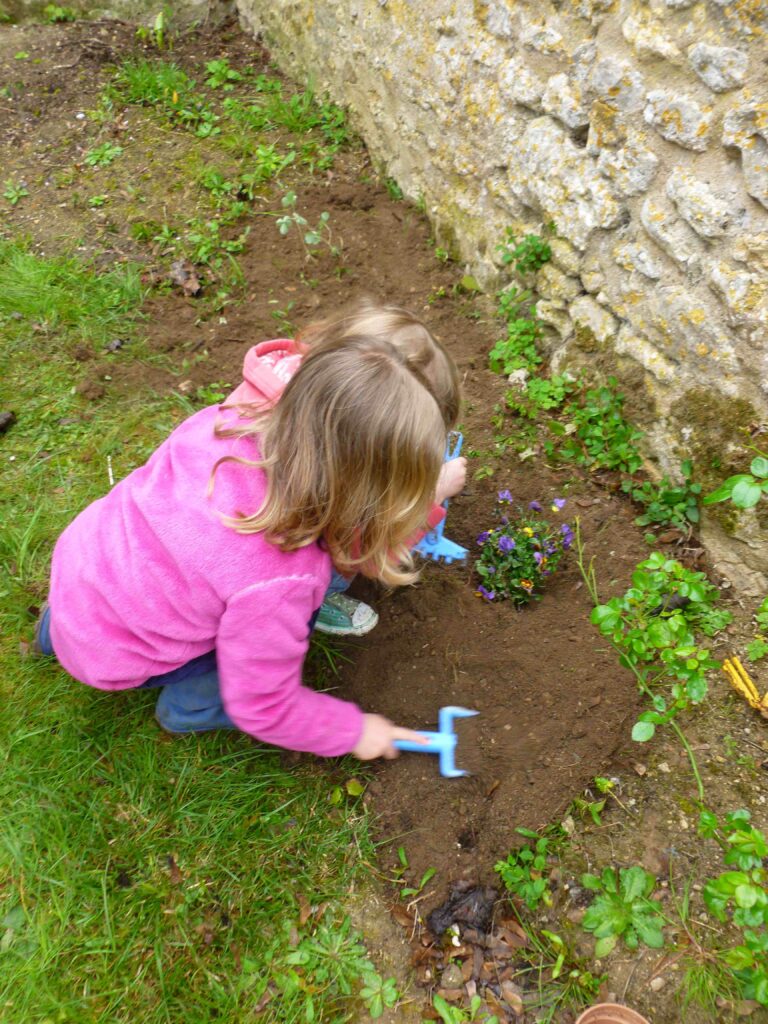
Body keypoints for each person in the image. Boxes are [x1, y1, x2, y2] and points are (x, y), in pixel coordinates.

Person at [34, 304, 468, 762]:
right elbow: (266, 703)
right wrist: (353, 731)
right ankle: (190, 707)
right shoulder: (278, 579)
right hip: (116, 654)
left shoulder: (228, 420)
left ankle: (52, 632)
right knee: (237, 676)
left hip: (81, 570)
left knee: (120, 607)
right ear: (366, 497)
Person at [223, 304, 466, 637]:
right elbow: (364, 551)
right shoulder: (335, 483)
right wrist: (434, 493)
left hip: (201, 523)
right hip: (259, 567)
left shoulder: (280, 385)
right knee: (332, 559)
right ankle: (318, 599)